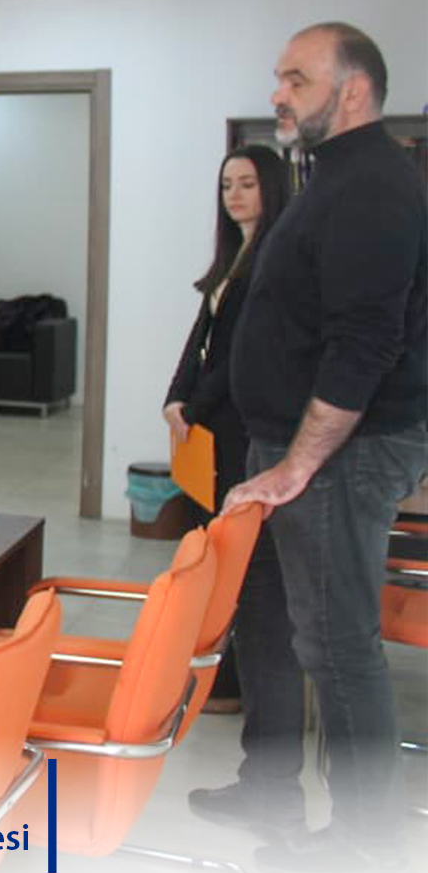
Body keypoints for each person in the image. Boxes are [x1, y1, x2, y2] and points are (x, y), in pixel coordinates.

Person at [213, 23, 428, 873]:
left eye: (297, 79)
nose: (278, 93)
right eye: (279, 78)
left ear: (354, 90)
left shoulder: (374, 184)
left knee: (339, 647)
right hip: (301, 449)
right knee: (283, 622)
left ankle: (367, 842)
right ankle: (275, 789)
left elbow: (364, 343)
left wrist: (299, 464)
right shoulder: (330, 174)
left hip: (340, 456)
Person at [163, 147, 292, 716]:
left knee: (233, 555)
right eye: (226, 185)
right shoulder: (233, 257)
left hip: (239, 424)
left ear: (272, 188)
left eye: (247, 184)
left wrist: (194, 406)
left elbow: (240, 353)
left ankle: (231, 680)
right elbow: (202, 337)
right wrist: (175, 397)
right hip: (209, 423)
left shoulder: (274, 257)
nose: (234, 195)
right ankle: (216, 674)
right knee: (209, 548)